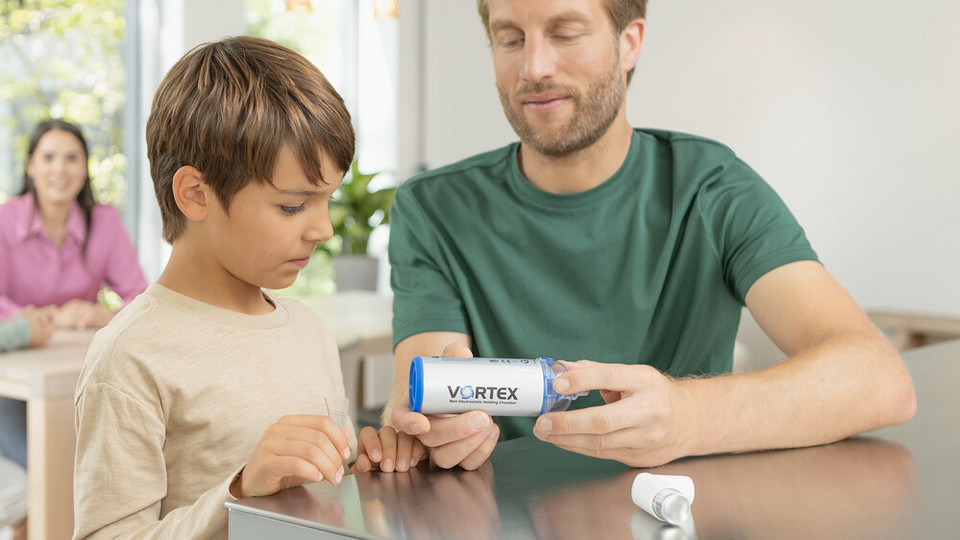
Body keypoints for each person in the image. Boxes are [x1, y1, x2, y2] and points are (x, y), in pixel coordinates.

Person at [384, 0, 916, 471]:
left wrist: (688, 416)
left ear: (629, 42)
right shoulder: (431, 208)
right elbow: (429, 385)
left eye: (565, 32)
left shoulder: (710, 187)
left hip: (678, 514)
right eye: (510, 38)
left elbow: (878, 379)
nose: (534, 67)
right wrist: (437, 426)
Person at [72, 36, 424, 540]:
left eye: (327, 199)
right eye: (292, 206)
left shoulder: (309, 330)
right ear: (195, 195)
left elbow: (321, 502)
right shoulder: (128, 357)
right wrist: (237, 492)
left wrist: (366, 474)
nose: (323, 229)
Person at [0, 119, 148, 329]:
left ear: (85, 167)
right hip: (16, 354)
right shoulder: (4, 219)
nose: (60, 169)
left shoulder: (105, 221)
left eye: (71, 158)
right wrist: (51, 319)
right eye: (48, 158)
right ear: (30, 166)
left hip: (83, 352)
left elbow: (140, 297)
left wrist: (105, 315)